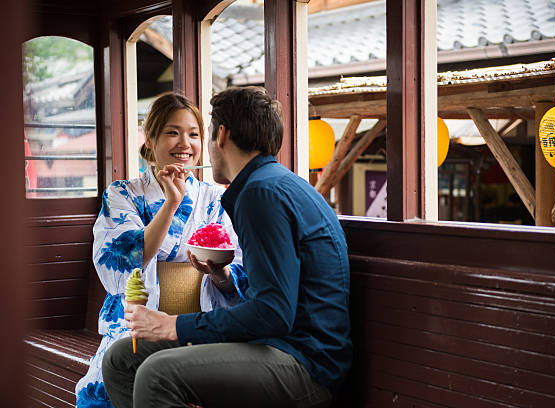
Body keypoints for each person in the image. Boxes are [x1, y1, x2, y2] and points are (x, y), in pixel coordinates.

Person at [102, 86, 352, 408]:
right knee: (122, 358)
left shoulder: (261, 194)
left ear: (221, 135)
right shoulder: (271, 184)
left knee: (156, 374)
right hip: (280, 344)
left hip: (305, 361)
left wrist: (173, 325)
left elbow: (273, 313)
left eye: (197, 134)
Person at [75, 92, 246, 407]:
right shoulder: (122, 194)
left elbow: (237, 269)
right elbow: (123, 260)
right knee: (108, 380)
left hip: (196, 325)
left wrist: (219, 272)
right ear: (150, 139)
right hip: (135, 327)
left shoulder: (216, 199)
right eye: (173, 132)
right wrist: (171, 203)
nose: (185, 143)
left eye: (194, 134)